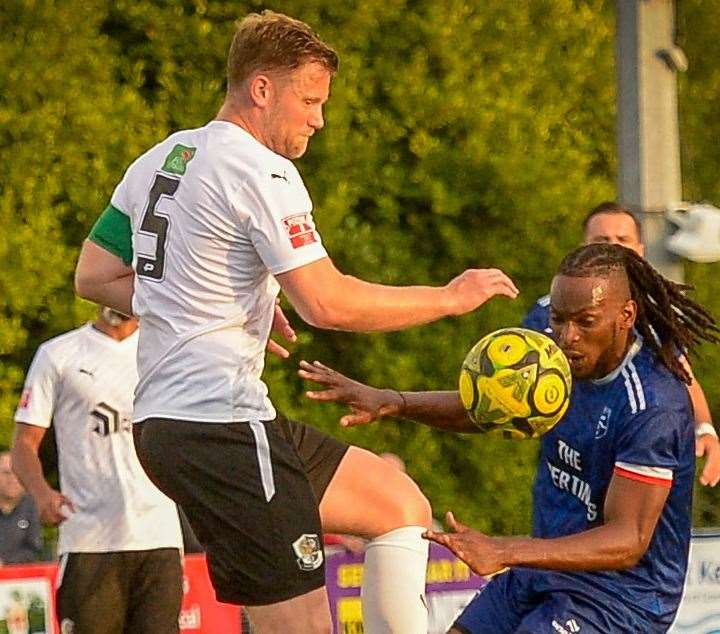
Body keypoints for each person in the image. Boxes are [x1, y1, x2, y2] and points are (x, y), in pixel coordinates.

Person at [72, 10, 517, 634]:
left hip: (173, 426)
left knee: (399, 504)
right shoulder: (261, 169)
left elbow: (92, 275)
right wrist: (449, 296)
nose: (318, 118)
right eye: (309, 99)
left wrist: (218, 291)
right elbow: (328, 303)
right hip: (220, 428)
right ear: (262, 89)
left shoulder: (162, 157)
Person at [300, 243, 720, 633]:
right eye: (559, 319)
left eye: (585, 322)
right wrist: (393, 401)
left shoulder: (652, 405)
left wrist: (503, 550)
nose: (566, 336)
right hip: (541, 569)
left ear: (626, 316)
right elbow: (489, 405)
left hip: (619, 600)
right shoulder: (550, 344)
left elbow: (627, 540)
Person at [523, 201, 720, 487]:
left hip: (628, 459)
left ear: (640, 250)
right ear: (584, 247)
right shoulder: (547, 311)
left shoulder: (656, 315)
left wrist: (704, 428)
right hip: (564, 473)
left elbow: (681, 371)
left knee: (627, 526)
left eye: (623, 239)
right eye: (602, 240)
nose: (613, 246)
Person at [12, 307, 184, 634]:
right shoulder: (58, 354)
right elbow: (24, 443)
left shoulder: (166, 351)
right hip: (89, 539)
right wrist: (41, 493)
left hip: (158, 535)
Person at [0, 451, 42, 565]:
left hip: (19, 578)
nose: (13, 479)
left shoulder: (31, 506)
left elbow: (33, 549)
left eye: (17, 473)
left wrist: (5, 563)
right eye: (6, 473)